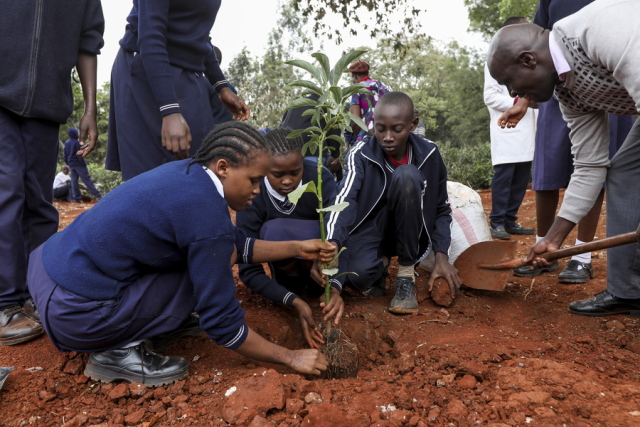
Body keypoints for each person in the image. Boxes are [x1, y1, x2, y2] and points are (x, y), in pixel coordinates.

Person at [27, 122, 334, 386]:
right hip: (77, 313)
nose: (257, 189)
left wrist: (297, 247)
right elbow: (222, 324)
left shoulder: (189, 173)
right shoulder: (206, 214)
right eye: (254, 180)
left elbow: (233, 241)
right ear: (224, 167)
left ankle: (158, 320)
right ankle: (117, 351)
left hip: (49, 273)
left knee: (212, 256)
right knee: (207, 271)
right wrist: (290, 357)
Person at [487, 0, 640, 317]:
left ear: (528, 60)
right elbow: (590, 165)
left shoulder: (600, 30)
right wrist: (554, 240)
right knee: (623, 171)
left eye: (510, 82)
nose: (513, 92)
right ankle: (628, 292)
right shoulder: (567, 89)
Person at [0, 0, 104, 346]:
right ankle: (5, 302)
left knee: (39, 201)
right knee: (7, 189)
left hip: (46, 107)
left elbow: (88, 45)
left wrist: (90, 107)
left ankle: (36, 292)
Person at [319, 91, 461, 314]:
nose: (387, 137)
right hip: (373, 228)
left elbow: (441, 208)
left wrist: (441, 256)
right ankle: (380, 265)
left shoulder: (429, 153)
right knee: (357, 276)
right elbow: (344, 197)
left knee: (406, 176)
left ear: (413, 124)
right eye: (380, 128)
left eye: (397, 129)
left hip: (411, 231)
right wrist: (332, 243)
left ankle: (405, 274)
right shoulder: (362, 152)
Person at [106, 0, 250, 181]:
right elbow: (151, 36)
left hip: (190, 73)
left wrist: (221, 86)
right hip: (147, 71)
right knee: (152, 175)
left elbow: (198, 33)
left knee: (198, 163)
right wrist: (170, 110)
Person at [236, 128, 342, 348]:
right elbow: (248, 268)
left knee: (336, 235)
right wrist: (291, 300)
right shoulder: (252, 192)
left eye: (295, 172)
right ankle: (296, 287)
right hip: (286, 280)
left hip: (322, 273)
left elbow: (338, 233)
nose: (287, 181)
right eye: (277, 174)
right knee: (274, 231)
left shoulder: (320, 177)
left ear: (304, 163)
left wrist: (336, 286)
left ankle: (318, 288)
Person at [484, 17, 537, 241]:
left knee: (521, 177)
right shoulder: (494, 60)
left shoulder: (532, 59)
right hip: (506, 127)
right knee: (504, 177)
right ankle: (496, 222)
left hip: (528, 129)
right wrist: (518, 104)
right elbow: (490, 96)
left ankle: (509, 220)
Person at [346, 61, 389, 145]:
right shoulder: (381, 85)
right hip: (386, 135)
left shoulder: (356, 89)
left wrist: (357, 137)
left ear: (354, 76)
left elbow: (355, 120)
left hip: (367, 138)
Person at [63, 127, 102, 202]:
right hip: (79, 164)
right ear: (75, 134)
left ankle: (76, 198)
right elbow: (80, 154)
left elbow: (65, 155)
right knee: (87, 179)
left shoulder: (67, 143)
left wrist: (68, 162)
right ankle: (98, 196)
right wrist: (83, 163)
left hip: (71, 164)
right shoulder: (77, 142)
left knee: (74, 181)